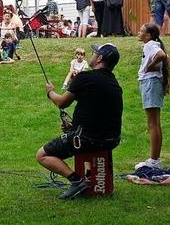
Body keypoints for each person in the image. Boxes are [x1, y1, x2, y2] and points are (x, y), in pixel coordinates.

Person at [36, 43, 122, 200]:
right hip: (111, 140)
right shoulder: (114, 84)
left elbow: (62, 102)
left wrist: (50, 92)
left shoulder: (85, 77)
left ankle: (76, 181)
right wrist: (73, 127)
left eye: (95, 53)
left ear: (100, 58)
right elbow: (100, 113)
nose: (93, 55)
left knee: (42, 155)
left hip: (88, 140)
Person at [135, 23, 170, 170]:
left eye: (141, 31)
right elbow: (166, 58)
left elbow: (162, 55)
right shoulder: (152, 44)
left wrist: (151, 65)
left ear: (148, 35)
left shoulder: (150, 44)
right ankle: (155, 159)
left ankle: (154, 161)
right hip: (152, 82)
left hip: (151, 83)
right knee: (154, 123)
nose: (138, 33)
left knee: (153, 123)